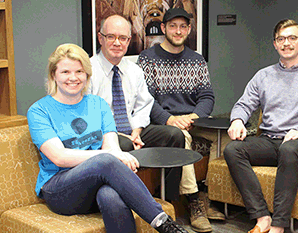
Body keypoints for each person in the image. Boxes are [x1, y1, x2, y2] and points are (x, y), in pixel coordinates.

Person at [27, 43, 187, 233]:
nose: (73, 78)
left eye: (79, 71)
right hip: (60, 188)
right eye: (65, 72)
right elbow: (59, 157)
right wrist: (110, 157)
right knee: (105, 160)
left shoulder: (98, 104)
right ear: (54, 75)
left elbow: (112, 146)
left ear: (87, 74)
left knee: (110, 195)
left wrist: (113, 156)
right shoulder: (39, 111)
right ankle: (164, 224)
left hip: (96, 183)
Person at [223, 19, 298, 233]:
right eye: (281, 39)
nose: (287, 43)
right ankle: (262, 217)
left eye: (292, 38)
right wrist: (237, 119)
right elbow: (243, 104)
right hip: (269, 141)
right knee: (232, 149)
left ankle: (279, 225)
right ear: (275, 44)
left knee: (289, 148)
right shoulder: (263, 76)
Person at [88, 14, 195, 218]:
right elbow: (90, 118)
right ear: (100, 38)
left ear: (129, 41)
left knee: (175, 135)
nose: (117, 43)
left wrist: (136, 131)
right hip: (104, 135)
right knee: (124, 146)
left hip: (133, 130)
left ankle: (169, 201)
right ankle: (128, 201)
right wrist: (125, 137)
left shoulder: (134, 70)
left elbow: (144, 105)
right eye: (111, 37)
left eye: (123, 38)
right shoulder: (88, 71)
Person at [138, 8, 223, 232]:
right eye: (173, 26)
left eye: (183, 26)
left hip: (194, 119)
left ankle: (210, 196)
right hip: (164, 123)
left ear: (189, 29)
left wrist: (193, 117)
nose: (178, 31)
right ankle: (194, 200)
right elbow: (146, 100)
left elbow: (207, 96)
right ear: (164, 28)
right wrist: (169, 119)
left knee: (226, 135)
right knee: (182, 136)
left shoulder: (197, 60)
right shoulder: (147, 59)